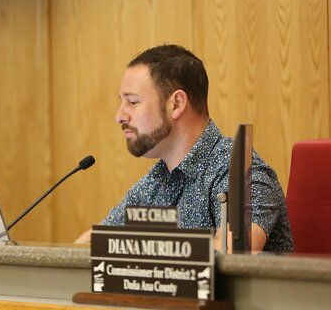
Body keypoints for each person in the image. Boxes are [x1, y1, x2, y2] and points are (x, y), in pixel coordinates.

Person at [75, 45, 292, 253]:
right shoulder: (157, 180)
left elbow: (234, 252)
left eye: (132, 102)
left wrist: (139, 246)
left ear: (176, 104)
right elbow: (95, 240)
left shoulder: (243, 171)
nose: (119, 116)